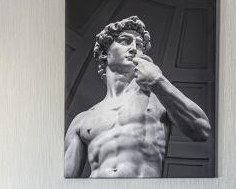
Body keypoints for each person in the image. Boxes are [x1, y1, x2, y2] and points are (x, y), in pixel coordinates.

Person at [64, 15, 210, 178]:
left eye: (139, 45)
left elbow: (202, 130)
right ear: (105, 52)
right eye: (125, 41)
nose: (134, 48)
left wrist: (157, 81)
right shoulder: (82, 119)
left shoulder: (159, 99)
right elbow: (67, 181)